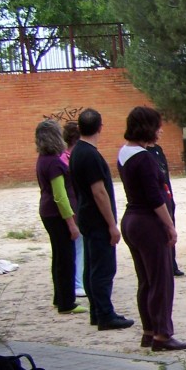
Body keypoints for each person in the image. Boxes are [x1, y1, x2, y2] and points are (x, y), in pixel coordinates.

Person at [116, 107, 186, 352]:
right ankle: (162, 334)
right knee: (161, 280)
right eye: (157, 125)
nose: (160, 130)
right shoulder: (144, 157)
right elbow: (155, 197)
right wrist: (169, 225)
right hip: (148, 222)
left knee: (146, 279)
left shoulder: (125, 153)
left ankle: (149, 330)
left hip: (132, 220)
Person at [68, 108, 134, 331]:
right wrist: (111, 224)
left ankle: (97, 312)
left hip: (86, 216)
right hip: (97, 220)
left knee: (91, 267)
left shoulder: (77, 151)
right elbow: (99, 192)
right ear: (100, 127)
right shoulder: (90, 155)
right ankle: (105, 314)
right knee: (103, 269)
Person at [35, 120, 84, 315]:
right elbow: (60, 196)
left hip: (47, 212)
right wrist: (71, 222)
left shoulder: (43, 159)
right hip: (57, 215)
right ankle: (67, 302)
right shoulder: (55, 162)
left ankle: (59, 297)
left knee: (59, 257)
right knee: (66, 258)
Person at [144, 140, 183, 276]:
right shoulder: (144, 153)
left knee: (171, 227)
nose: (160, 131)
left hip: (167, 194)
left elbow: (165, 176)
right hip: (157, 198)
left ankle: (172, 263)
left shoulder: (158, 149)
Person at [60, 121, 85, 298]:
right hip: (75, 204)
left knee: (77, 246)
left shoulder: (63, 156)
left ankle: (77, 280)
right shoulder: (73, 157)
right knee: (79, 245)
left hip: (73, 204)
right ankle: (78, 282)